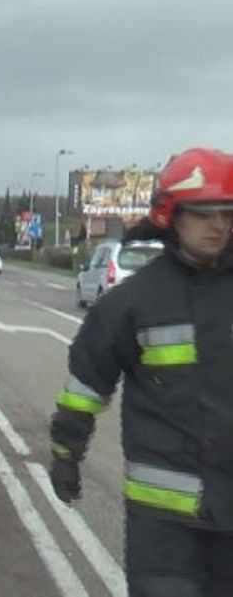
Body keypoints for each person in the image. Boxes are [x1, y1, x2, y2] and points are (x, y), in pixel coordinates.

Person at [48, 148, 233, 597]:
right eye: (204, 214)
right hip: (162, 527)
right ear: (171, 216)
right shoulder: (131, 304)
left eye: (227, 214)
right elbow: (85, 386)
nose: (219, 226)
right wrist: (65, 452)